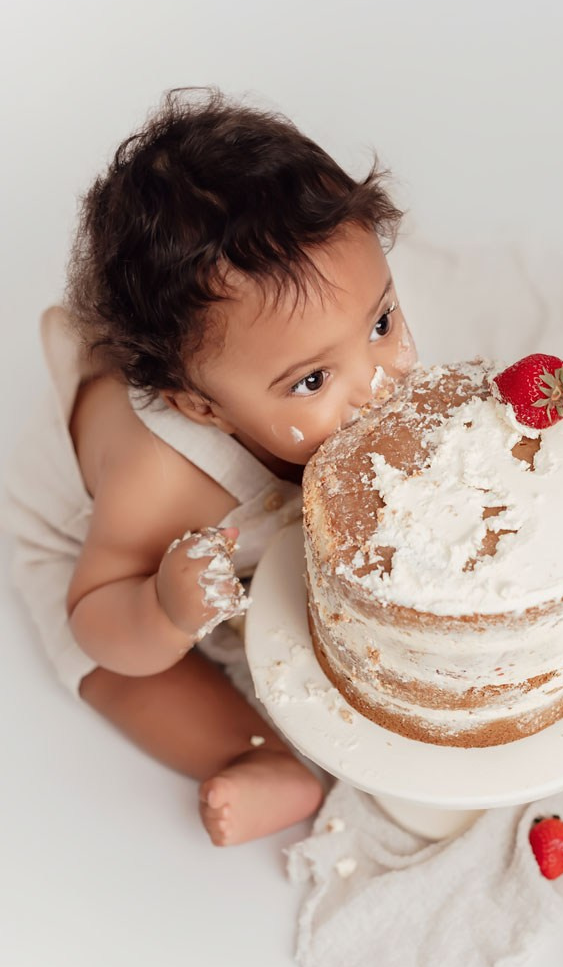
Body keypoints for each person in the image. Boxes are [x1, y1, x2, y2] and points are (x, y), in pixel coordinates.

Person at [4, 87, 418, 846]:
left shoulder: (329, 359)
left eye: (382, 322)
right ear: (202, 408)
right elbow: (94, 614)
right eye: (314, 381)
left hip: (230, 526)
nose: (377, 386)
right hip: (103, 559)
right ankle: (248, 756)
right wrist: (162, 611)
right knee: (124, 675)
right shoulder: (161, 477)